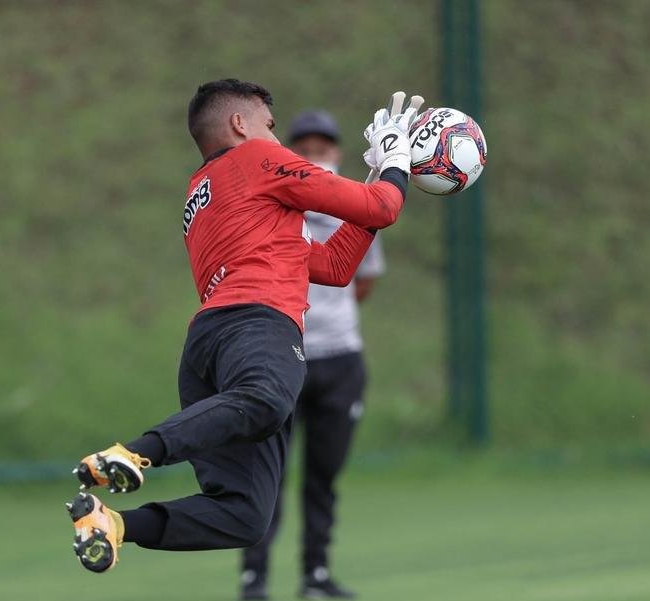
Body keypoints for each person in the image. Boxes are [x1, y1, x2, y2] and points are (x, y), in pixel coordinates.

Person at [66, 79, 422, 574]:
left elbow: (336, 268)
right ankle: (133, 455)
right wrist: (395, 166)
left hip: (209, 349)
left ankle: (113, 524)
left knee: (244, 516)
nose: (277, 140)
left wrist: (383, 170)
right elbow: (381, 205)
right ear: (239, 125)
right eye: (269, 126)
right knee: (269, 398)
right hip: (258, 325)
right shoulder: (257, 160)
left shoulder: (205, 191)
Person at [238, 109, 383, 601]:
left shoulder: (357, 201)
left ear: (338, 151)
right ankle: (253, 573)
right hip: (283, 352)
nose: (315, 151)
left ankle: (315, 573)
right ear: (289, 151)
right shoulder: (276, 195)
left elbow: (362, 276)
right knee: (268, 471)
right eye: (304, 144)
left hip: (341, 356)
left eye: (324, 144)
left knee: (323, 474)